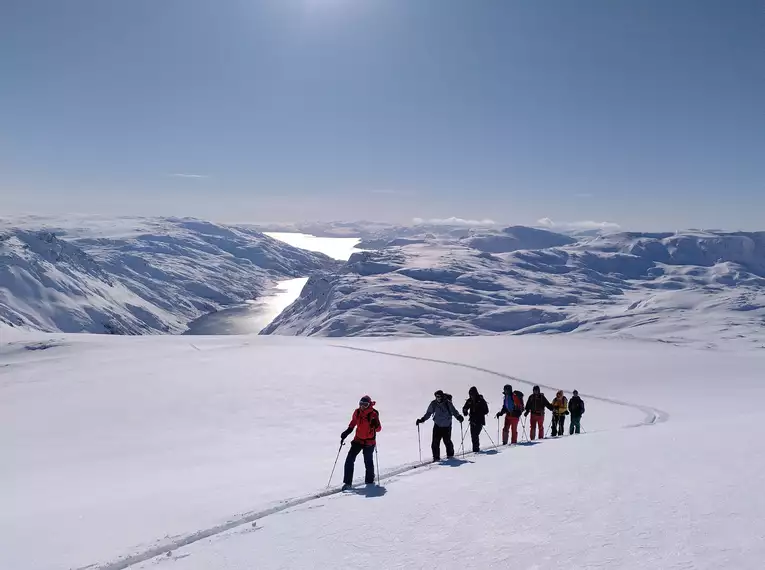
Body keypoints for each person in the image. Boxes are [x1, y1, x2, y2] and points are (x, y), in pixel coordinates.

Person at [340, 395, 382, 489]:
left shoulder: (374, 414)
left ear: (369, 405)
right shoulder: (357, 412)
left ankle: (370, 482)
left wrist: (375, 425)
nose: (362, 406)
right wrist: (346, 432)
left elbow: (379, 429)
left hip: (369, 442)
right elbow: (353, 423)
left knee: (368, 462)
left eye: (365, 404)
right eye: (361, 404)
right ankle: (347, 483)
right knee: (349, 459)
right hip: (358, 440)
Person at [416, 390, 464, 462]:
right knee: (435, 443)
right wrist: (422, 419)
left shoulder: (448, 403)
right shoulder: (434, 403)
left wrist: (458, 417)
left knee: (447, 441)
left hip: (447, 426)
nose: (438, 398)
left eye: (439, 396)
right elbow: (429, 413)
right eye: (436, 396)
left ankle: (450, 456)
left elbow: (454, 411)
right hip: (437, 426)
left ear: (442, 396)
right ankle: (436, 458)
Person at [462, 386, 489, 452]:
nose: (471, 395)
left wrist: (479, 412)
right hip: (472, 420)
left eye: (472, 394)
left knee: (475, 434)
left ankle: (476, 449)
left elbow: (486, 410)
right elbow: (465, 407)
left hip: (479, 420)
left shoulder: (481, 400)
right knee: (473, 435)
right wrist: (465, 411)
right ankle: (475, 449)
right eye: (470, 394)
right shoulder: (469, 400)